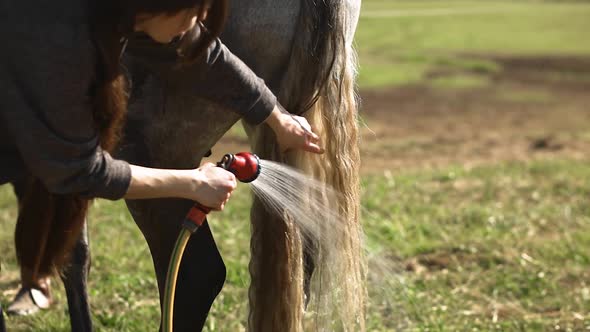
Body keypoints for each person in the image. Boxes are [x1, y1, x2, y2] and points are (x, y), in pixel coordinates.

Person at [0, 0, 322, 323]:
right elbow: (78, 170)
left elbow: (198, 54)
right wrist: (193, 183)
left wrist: (279, 119)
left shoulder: (121, 12)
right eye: (196, 11)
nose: (202, 20)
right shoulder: (59, 37)